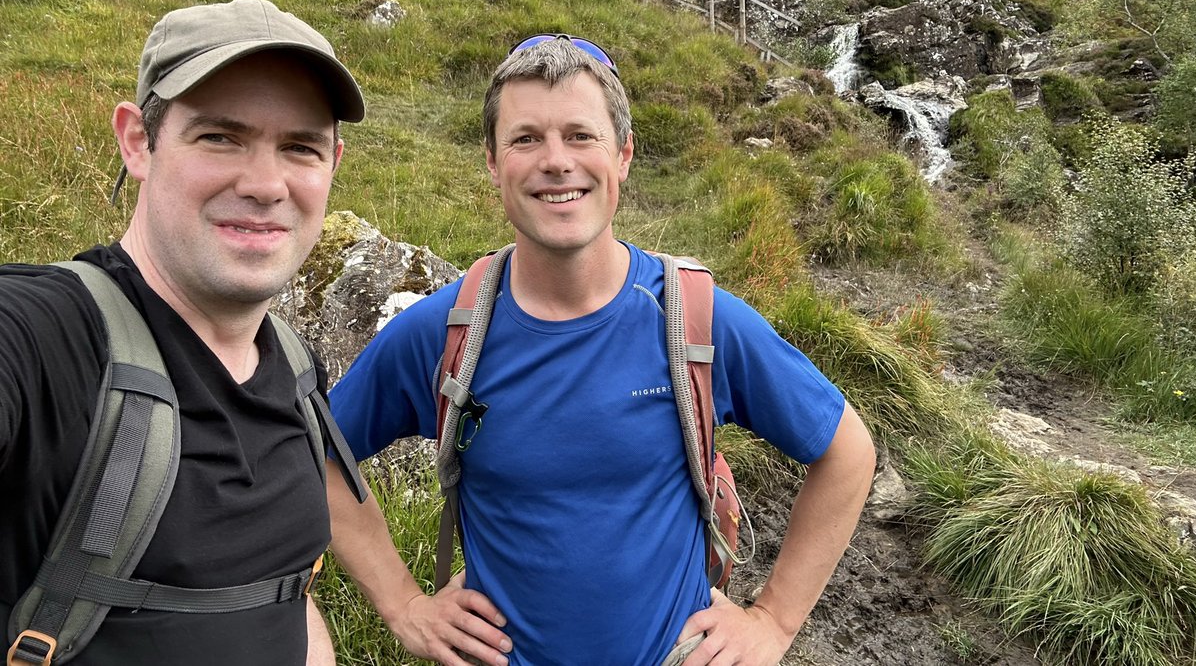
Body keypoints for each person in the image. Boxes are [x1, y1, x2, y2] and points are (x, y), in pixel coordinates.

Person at [326, 34, 876, 666]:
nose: (556, 161)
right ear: (492, 161)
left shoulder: (696, 320)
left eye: (581, 136)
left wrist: (773, 621)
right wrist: (403, 605)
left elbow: (847, 453)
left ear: (624, 155)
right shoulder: (443, 332)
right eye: (526, 138)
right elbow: (320, 458)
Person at [1, 0, 366, 666]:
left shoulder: (294, 366)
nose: (264, 184)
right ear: (138, 141)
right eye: (219, 137)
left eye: (300, 147)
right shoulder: (46, 339)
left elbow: (284, 591)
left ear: (333, 163)